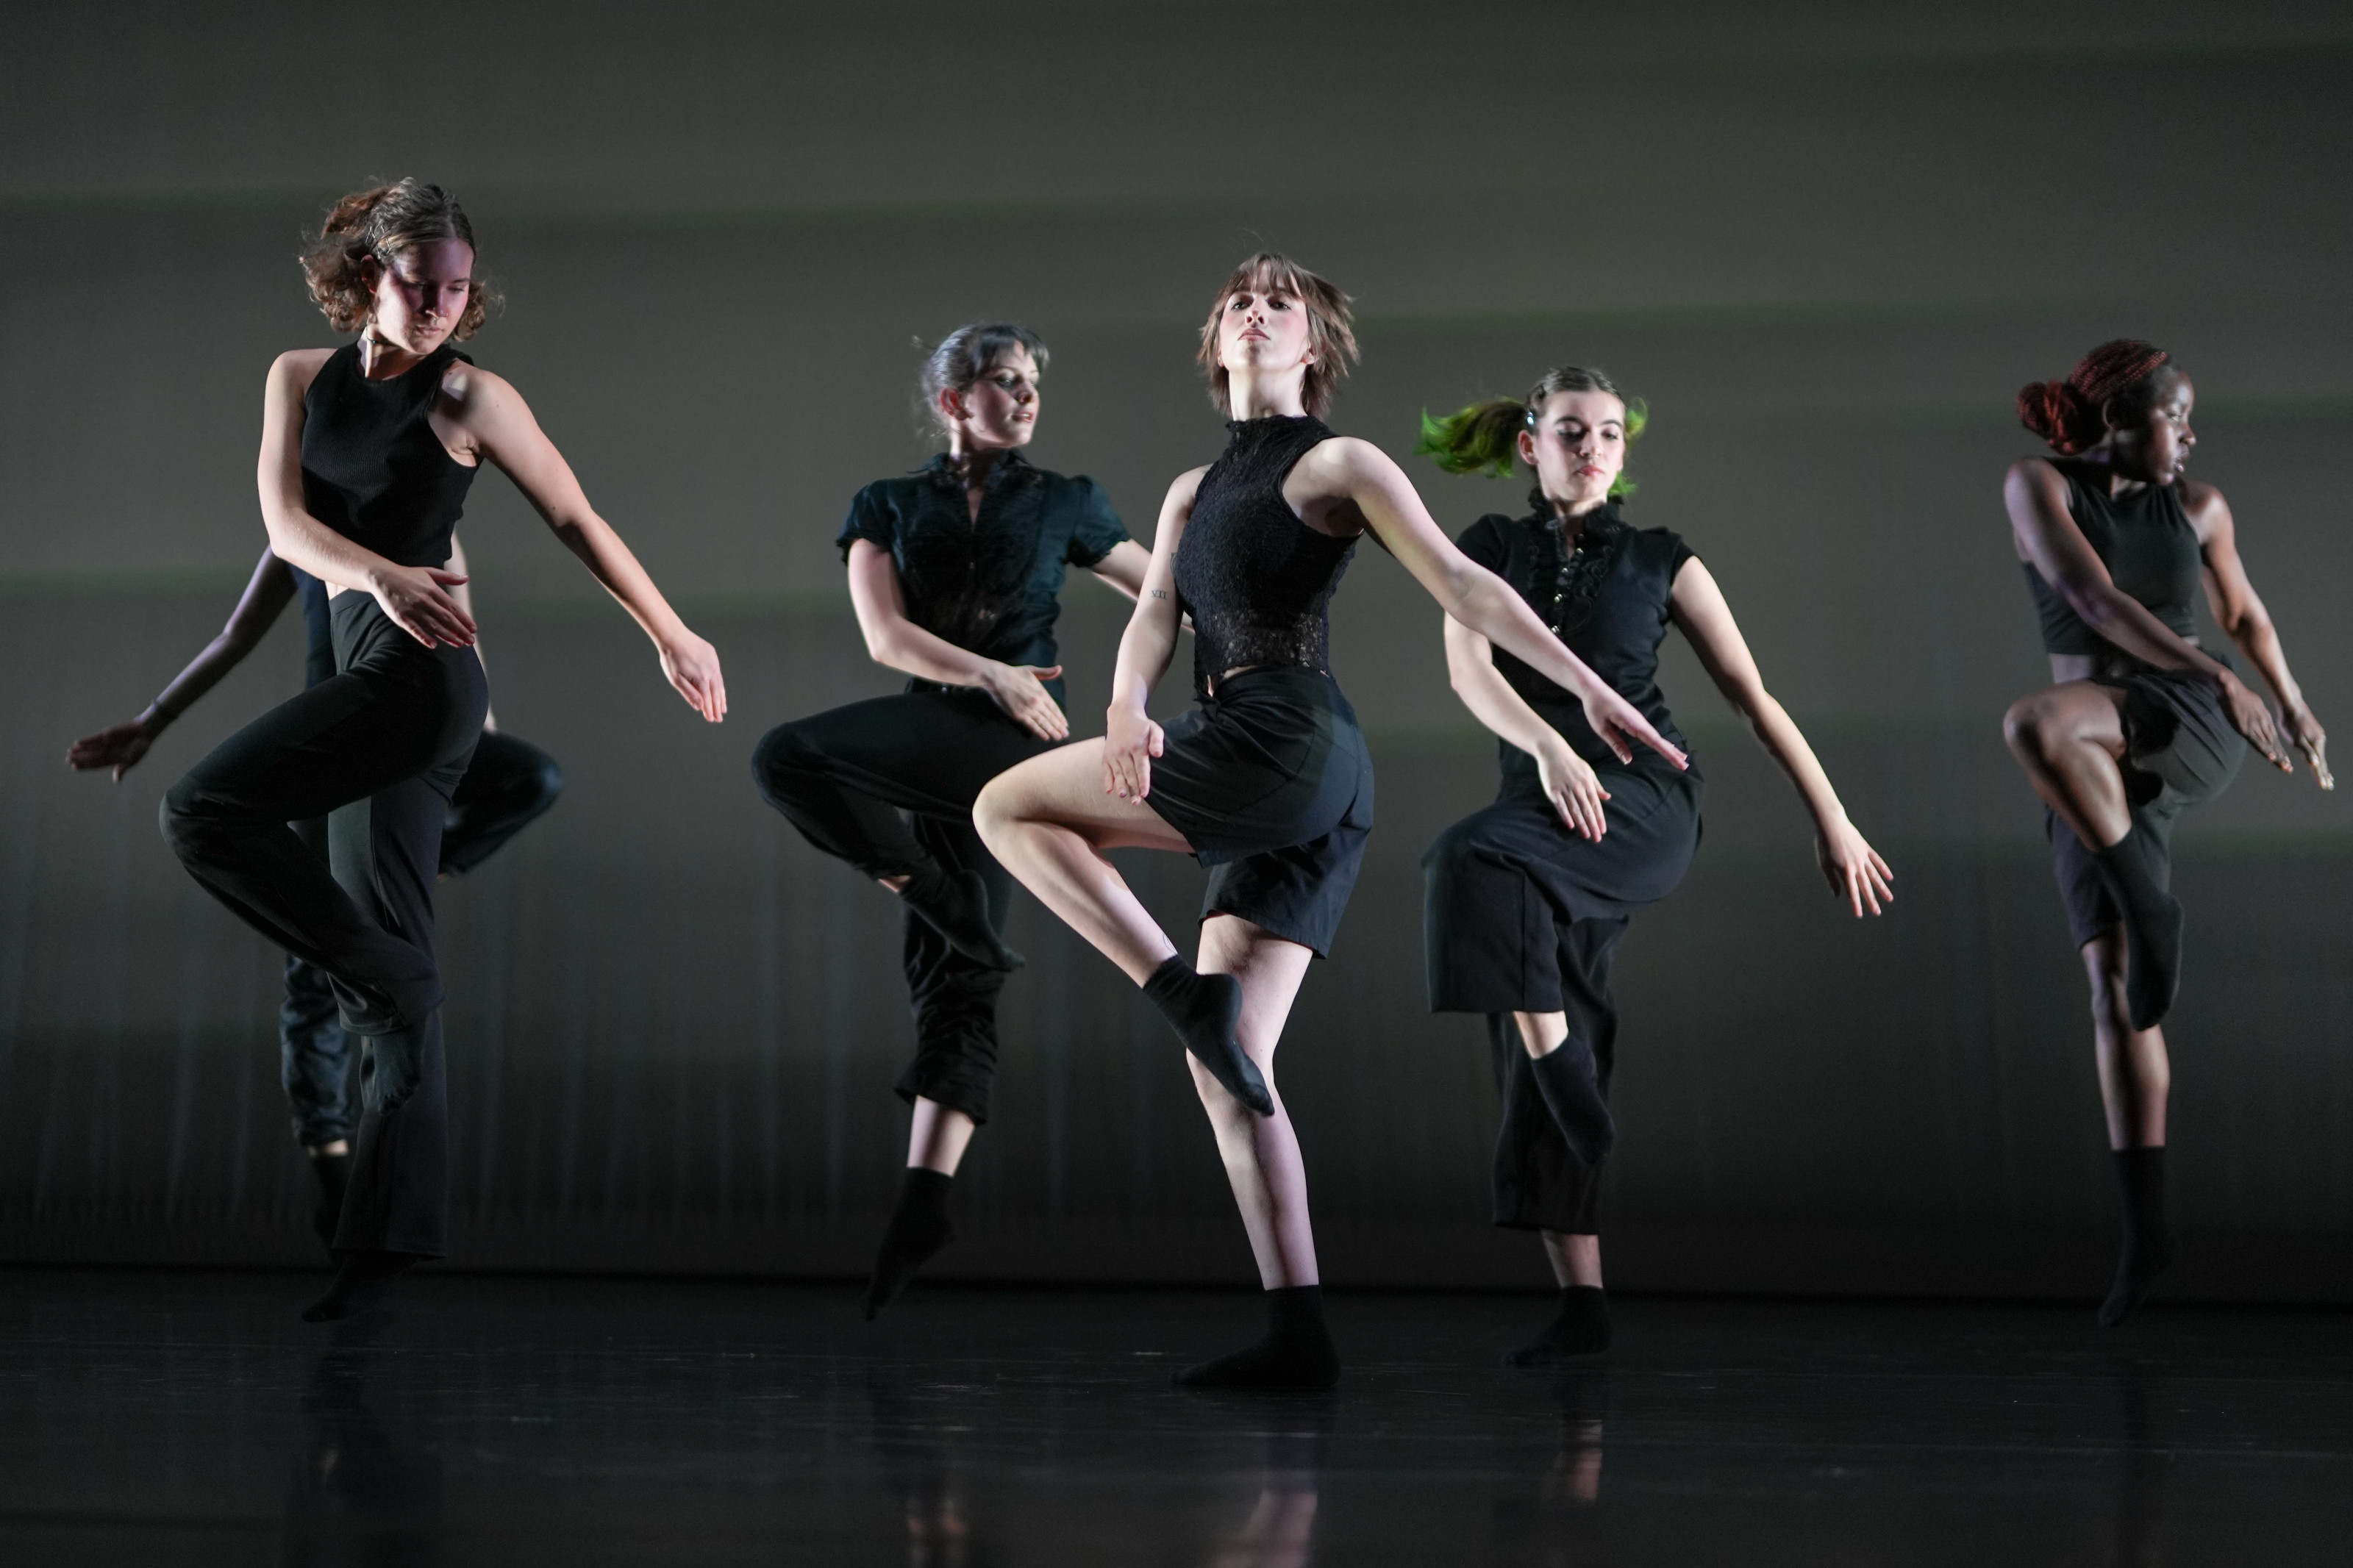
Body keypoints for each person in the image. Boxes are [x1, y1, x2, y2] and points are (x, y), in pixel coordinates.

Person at [973, 255, 1688, 1389]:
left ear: (1314, 349)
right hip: (1307, 790)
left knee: (1001, 803)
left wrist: (1587, 688)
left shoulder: (1336, 461)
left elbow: (1464, 583)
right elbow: (1156, 612)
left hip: (1284, 738)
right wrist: (1119, 707)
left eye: (1282, 302)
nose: (1256, 309)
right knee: (1235, 1068)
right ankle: (1297, 1327)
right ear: (1218, 344)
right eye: (1238, 301)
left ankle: (1178, 996)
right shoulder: (1186, 494)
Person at [158, 178, 725, 1321]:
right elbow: (282, 534)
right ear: (368, 277)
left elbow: (578, 516)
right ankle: (382, 1248)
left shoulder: (470, 395)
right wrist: (367, 578)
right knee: (361, 945)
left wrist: (672, 631)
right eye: (421, 287)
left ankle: (387, 1091)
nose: (440, 309)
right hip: (364, 660)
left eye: (459, 291)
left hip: (423, 688)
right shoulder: (298, 381)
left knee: (206, 816)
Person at [1416, 367, 1892, 1364]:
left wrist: (1833, 819)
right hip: (1540, 810)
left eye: (1608, 435)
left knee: (1468, 865)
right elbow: (1467, 668)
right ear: (1528, 445)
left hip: (1643, 803)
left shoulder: (1662, 559)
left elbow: (1752, 696)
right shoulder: (1488, 550)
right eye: (1569, 431)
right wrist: (1546, 747)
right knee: (1554, 1010)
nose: (1590, 448)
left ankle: (1561, 1062)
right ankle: (1584, 1300)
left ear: (1623, 454)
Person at [751, 324, 1152, 1317]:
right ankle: (924, 1193)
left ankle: (925, 1194)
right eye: (1003, 382)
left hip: (1021, 760)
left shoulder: (1068, 501)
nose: (1024, 398)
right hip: (936, 734)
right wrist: (994, 675)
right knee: (796, 765)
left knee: (960, 967)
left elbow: (1169, 594)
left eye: (1031, 384)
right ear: (952, 400)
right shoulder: (886, 505)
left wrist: (1138, 700)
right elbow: (885, 636)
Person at [69, 535, 564, 1255]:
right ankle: (330, 1159)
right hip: (329, 745)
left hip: (413, 722)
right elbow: (236, 633)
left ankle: (431, 879)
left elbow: (463, 623)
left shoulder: (432, 523)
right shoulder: (299, 531)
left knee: (534, 777)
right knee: (315, 970)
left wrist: (474, 731)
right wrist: (154, 719)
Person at [2001, 340, 2327, 1325]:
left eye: (2189, 418)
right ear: (2118, 423)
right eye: (2173, 416)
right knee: (2115, 992)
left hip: (2184, 726)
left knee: (2031, 724)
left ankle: (2152, 907)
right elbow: (2094, 600)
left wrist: (2288, 698)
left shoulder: (2202, 506)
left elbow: (2242, 611)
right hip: (2096, 754)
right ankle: (2147, 1236)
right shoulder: (2038, 486)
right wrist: (2216, 668)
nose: (2189, 433)